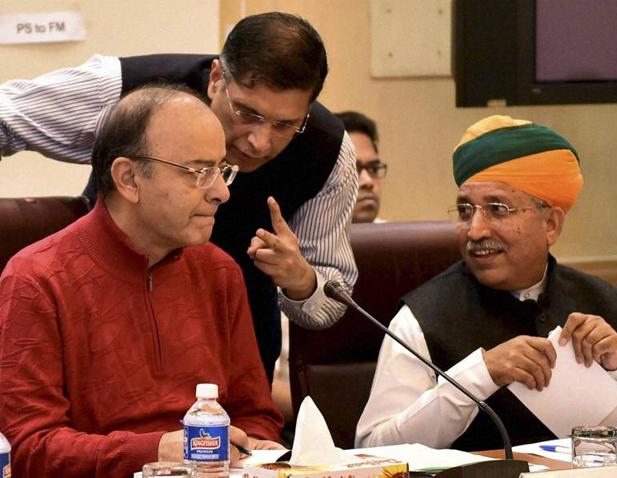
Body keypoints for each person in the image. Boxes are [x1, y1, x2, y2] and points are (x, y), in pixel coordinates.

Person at [0, 12, 358, 381]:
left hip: (230, 357)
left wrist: (300, 280)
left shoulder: (326, 150)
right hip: (100, 336)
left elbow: (332, 300)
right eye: (246, 113)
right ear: (218, 78)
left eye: (285, 125)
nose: (259, 141)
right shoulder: (129, 91)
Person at [0, 85, 284, 478]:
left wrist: (258, 447)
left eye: (222, 171)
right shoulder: (37, 279)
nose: (221, 192)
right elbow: (28, 448)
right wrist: (155, 450)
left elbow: (254, 414)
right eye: (200, 172)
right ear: (129, 178)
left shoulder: (219, 272)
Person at [356, 115, 617, 450]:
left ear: (550, 224)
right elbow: (373, 449)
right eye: (465, 210)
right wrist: (480, 375)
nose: (475, 231)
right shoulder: (421, 321)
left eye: (498, 209)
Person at [271, 111, 385, 435]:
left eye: (373, 168)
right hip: (301, 428)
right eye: (356, 169)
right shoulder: (284, 257)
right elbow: (261, 387)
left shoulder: (406, 253)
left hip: (390, 426)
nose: (365, 181)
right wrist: (329, 415)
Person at [335, 111, 387, 223]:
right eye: (352, 169)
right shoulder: (295, 238)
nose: (368, 182)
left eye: (373, 169)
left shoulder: (398, 238)